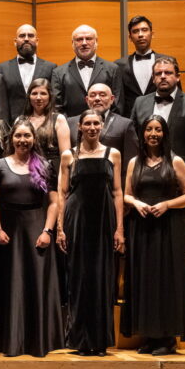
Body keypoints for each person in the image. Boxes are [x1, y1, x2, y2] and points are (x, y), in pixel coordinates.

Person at [121, 115, 185, 355]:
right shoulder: (135, 162)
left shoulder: (175, 161)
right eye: (149, 130)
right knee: (145, 280)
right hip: (143, 228)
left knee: (166, 281)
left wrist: (167, 205)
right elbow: (126, 194)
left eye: (158, 130)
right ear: (143, 134)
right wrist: (136, 203)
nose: (153, 134)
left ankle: (167, 339)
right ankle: (150, 336)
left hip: (168, 230)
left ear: (164, 133)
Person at [0, 119, 63, 357]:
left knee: (35, 283)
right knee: (9, 283)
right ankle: (9, 341)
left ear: (34, 139)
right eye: (18, 136)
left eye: (27, 136)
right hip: (8, 231)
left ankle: (36, 342)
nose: (23, 140)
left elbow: (54, 202)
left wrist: (47, 231)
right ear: (11, 138)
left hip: (36, 229)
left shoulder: (45, 165)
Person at [57, 109, 124, 356]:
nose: (92, 127)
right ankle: (81, 340)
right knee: (79, 278)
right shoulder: (68, 156)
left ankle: (100, 340)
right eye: (88, 123)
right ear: (80, 127)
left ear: (102, 126)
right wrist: (61, 229)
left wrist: (119, 229)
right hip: (77, 221)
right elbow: (62, 194)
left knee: (102, 279)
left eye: (97, 123)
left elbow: (118, 193)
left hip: (104, 222)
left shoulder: (113, 154)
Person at [130, 56, 185, 195]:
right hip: (145, 178)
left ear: (177, 77)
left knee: (179, 217)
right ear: (153, 79)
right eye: (158, 74)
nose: (162, 77)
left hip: (180, 178)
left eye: (168, 73)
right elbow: (132, 140)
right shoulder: (139, 103)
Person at [67, 83, 138, 180]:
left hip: (111, 188)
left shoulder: (125, 124)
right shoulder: (71, 123)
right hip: (76, 186)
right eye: (92, 95)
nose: (97, 98)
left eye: (102, 95)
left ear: (112, 99)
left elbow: (130, 165)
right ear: (87, 100)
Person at [51, 25, 124, 117]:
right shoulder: (58, 72)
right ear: (72, 43)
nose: (84, 43)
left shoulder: (113, 69)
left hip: (105, 128)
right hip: (71, 128)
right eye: (79, 39)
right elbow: (56, 106)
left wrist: (105, 127)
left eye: (89, 38)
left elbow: (117, 103)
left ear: (96, 42)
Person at [0, 24, 57, 123]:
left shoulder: (50, 68)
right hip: (11, 127)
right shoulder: (2, 68)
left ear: (37, 41)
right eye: (22, 36)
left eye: (31, 36)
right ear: (15, 42)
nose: (26, 39)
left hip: (43, 127)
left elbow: (53, 101)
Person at [115, 16, 170, 117]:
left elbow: (177, 94)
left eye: (144, 30)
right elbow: (118, 100)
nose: (140, 35)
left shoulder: (168, 62)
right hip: (130, 122)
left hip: (162, 119)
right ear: (130, 37)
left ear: (152, 34)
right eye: (135, 31)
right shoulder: (119, 65)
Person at [21, 78, 70, 173]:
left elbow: (66, 157)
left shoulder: (59, 119)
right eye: (34, 93)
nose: (38, 98)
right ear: (29, 97)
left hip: (52, 173)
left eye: (43, 93)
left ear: (50, 97)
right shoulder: (21, 120)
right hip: (26, 172)